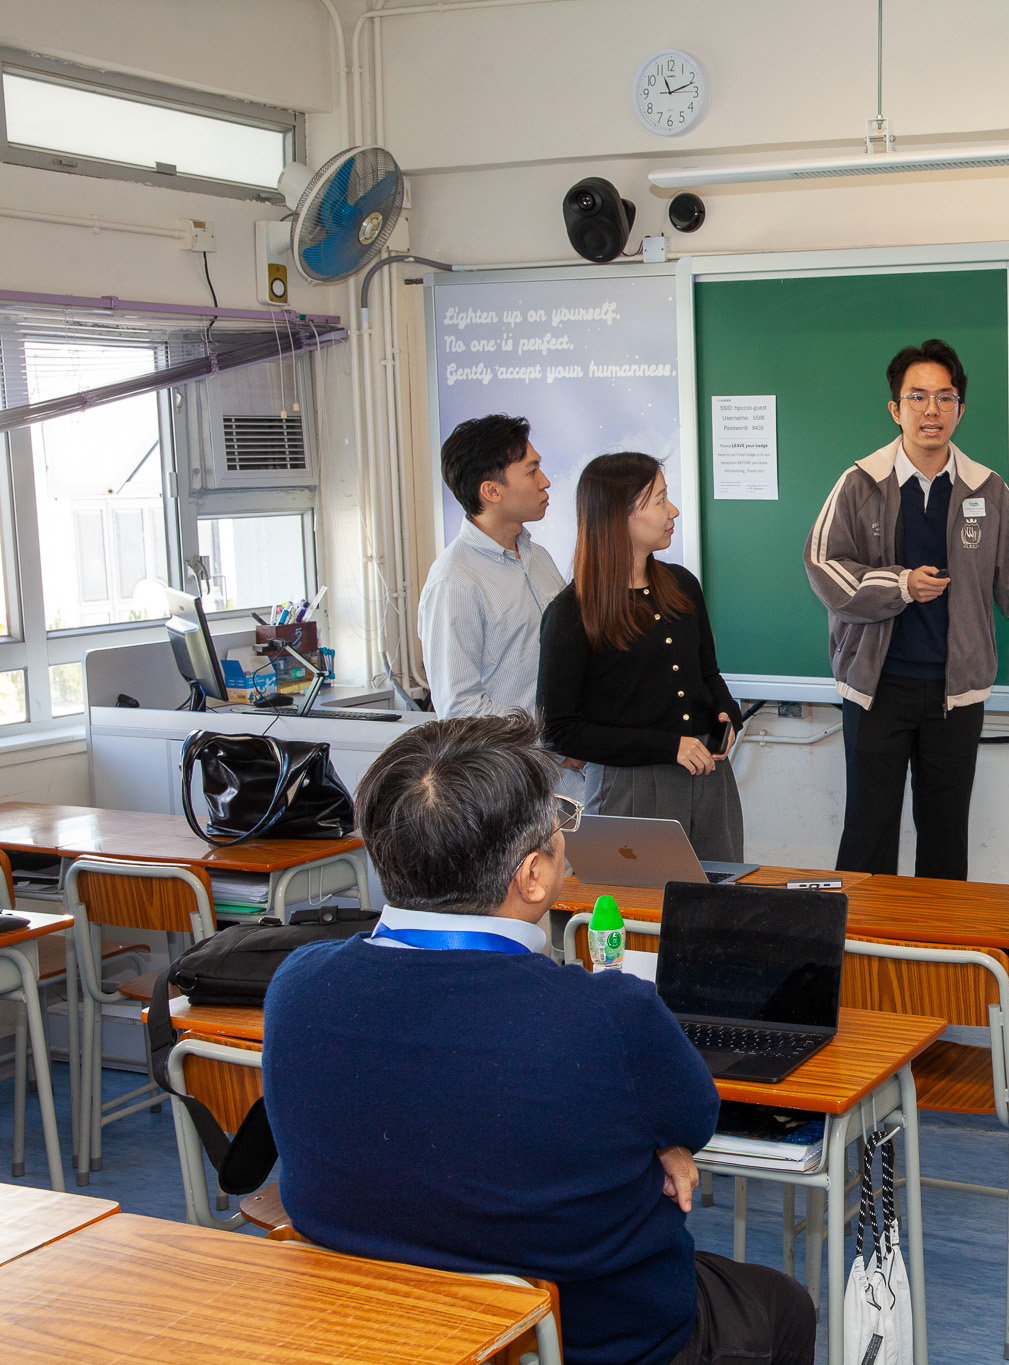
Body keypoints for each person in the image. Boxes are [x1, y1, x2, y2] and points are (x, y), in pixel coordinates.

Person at [263, 713, 814, 1365]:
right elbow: (693, 1117)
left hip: (375, 1329)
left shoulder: (296, 987)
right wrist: (658, 1142)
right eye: (561, 829)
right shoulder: (608, 1016)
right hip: (592, 1338)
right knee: (784, 1305)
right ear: (532, 877)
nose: (566, 843)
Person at [804, 337, 1009, 879]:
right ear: (896, 409)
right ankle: (859, 936)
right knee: (868, 831)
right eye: (917, 397)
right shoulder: (860, 483)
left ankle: (940, 939)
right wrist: (900, 584)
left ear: (960, 409)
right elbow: (823, 566)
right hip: (876, 688)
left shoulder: (987, 488)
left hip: (955, 694)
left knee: (945, 834)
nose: (931, 410)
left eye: (944, 397)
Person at [538, 452, 743, 860]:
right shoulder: (572, 612)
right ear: (620, 516)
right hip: (629, 787)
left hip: (708, 776)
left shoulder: (682, 584)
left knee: (720, 892)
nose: (673, 510)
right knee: (639, 899)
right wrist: (668, 747)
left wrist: (726, 712)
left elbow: (707, 674)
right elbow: (559, 730)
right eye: (660, 500)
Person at [417, 413, 566, 718]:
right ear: (492, 491)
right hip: (516, 749)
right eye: (532, 471)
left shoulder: (538, 557)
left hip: (564, 747)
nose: (545, 481)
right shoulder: (455, 581)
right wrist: (543, 735)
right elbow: (459, 708)